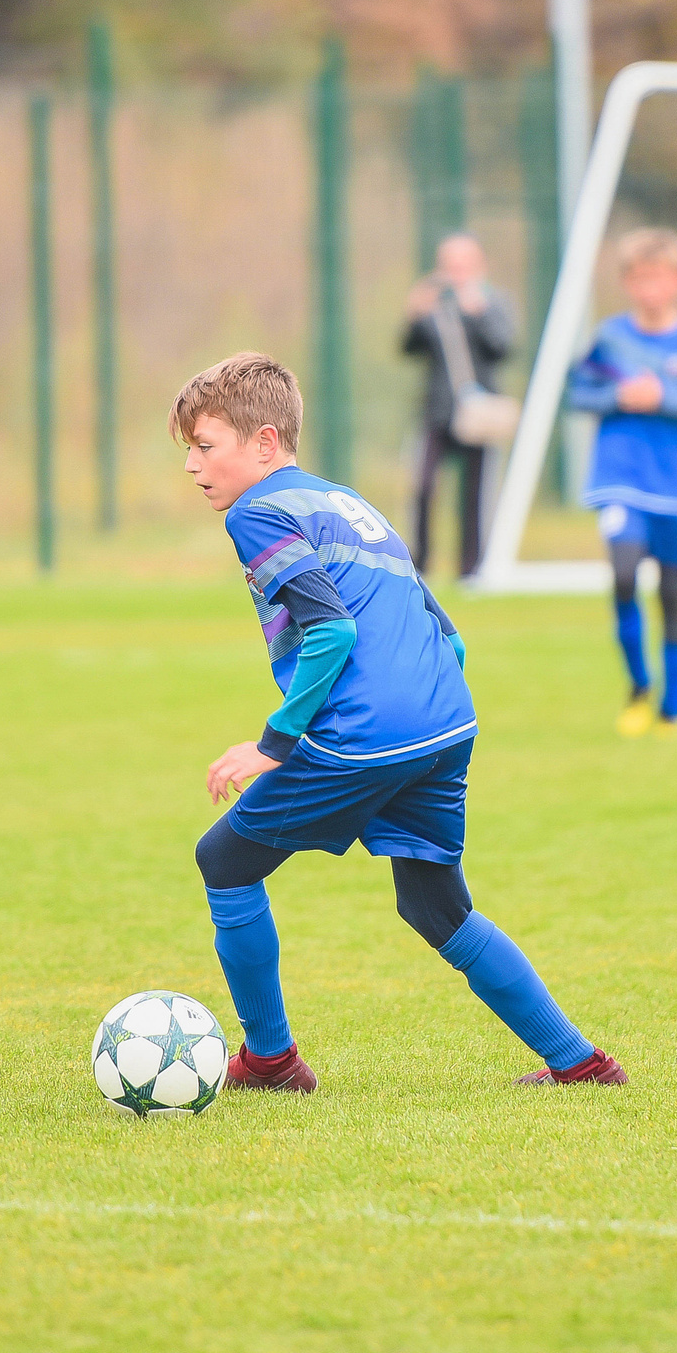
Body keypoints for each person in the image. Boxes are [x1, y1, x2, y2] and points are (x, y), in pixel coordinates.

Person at [171, 351, 623, 1090]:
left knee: (223, 861)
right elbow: (450, 635)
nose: (192, 464)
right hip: (446, 724)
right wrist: (418, 720)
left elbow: (330, 632)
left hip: (363, 733)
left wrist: (273, 744)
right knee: (435, 905)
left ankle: (273, 1060)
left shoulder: (259, 511)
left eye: (204, 444)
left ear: (263, 442)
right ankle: (581, 1064)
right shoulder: (351, 505)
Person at [564, 228, 677, 739]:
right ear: (626, 283)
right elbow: (580, 393)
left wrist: (664, 396)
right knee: (623, 576)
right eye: (639, 279)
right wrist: (621, 397)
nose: (649, 289)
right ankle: (638, 687)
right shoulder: (612, 337)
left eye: (658, 279)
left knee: (670, 589)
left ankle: (674, 705)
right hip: (621, 479)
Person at [398, 233, 513, 580]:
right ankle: (420, 564)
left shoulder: (494, 303)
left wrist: (477, 313)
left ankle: (471, 568)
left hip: (478, 412)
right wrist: (415, 311)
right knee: (424, 485)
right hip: (439, 410)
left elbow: (502, 347)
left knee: (475, 492)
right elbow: (408, 348)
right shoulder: (435, 307)